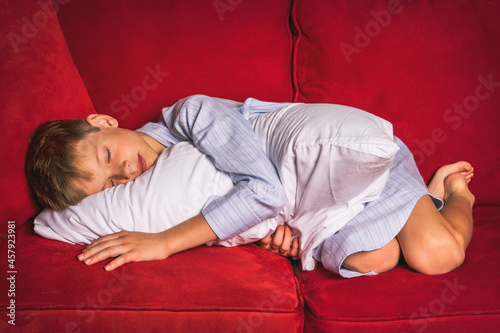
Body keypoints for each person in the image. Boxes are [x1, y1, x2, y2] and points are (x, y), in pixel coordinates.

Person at [25, 95, 475, 278]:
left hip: (347, 163)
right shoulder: (159, 186)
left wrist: (163, 243)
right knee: (376, 258)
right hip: (313, 206)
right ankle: (424, 201)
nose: (125, 171)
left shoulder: (193, 114)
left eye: (107, 156)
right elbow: (258, 216)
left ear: (103, 123)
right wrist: (269, 241)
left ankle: (452, 195)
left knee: (437, 256)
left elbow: (264, 191)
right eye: (111, 184)